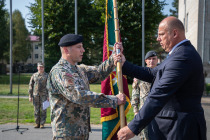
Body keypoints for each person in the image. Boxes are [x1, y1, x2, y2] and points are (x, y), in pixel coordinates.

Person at [117, 16, 206, 140]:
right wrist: (125, 64)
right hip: (172, 129)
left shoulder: (183, 56)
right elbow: (153, 73)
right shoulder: (177, 54)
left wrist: (133, 127)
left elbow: (159, 93)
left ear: (175, 33)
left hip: (178, 130)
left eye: (161, 34)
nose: (158, 38)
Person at [47, 34, 126, 140]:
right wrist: (113, 100)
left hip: (81, 132)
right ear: (66, 50)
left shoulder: (79, 69)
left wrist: (114, 57)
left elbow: (99, 72)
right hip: (66, 134)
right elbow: (79, 96)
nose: (83, 50)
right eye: (79, 47)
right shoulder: (60, 72)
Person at [131, 51, 158, 140]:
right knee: (145, 136)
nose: (151, 61)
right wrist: (135, 111)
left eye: (154, 59)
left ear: (157, 60)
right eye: (149, 59)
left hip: (159, 112)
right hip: (144, 112)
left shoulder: (162, 74)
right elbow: (135, 94)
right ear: (146, 61)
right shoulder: (140, 74)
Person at [28, 62, 48, 129]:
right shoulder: (34, 75)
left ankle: (42, 124)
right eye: (39, 67)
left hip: (45, 96)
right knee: (36, 110)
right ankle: (37, 123)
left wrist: (49, 96)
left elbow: (50, 86)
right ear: (37, 68)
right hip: (35, 95)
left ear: (44, 68)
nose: (41, 68)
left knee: (44, 110)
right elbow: (31, 85)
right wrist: (30, 96)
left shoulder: (47, 76)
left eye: (42, 67)